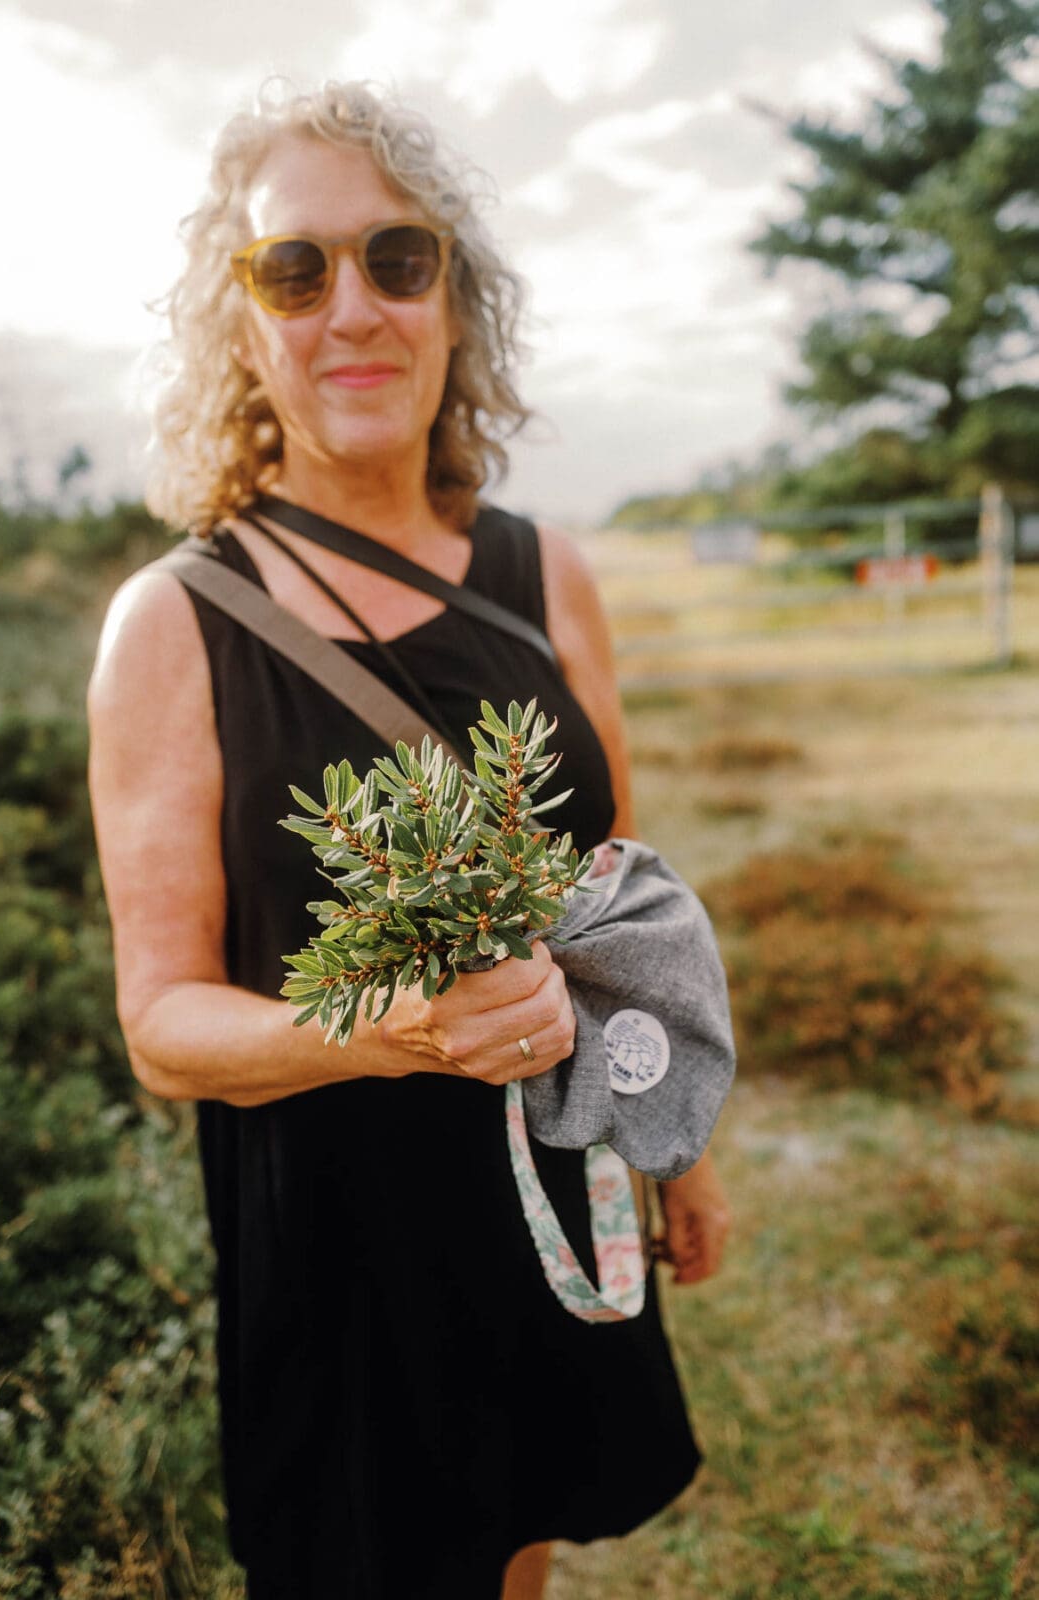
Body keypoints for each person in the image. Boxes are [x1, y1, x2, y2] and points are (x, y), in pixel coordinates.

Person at [87, 80, 731, 1600]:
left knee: (515, 1541)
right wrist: (395, 1031)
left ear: (457, 301)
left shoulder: (544, 572)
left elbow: (617, 881)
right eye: (293, 269)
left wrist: (678, 1131)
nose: (352, 307)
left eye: (399, 257)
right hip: (340, 1233)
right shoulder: (174, 623)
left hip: (551, 1173)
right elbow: (161, 1026)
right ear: (241, 324)